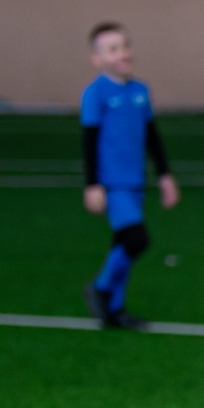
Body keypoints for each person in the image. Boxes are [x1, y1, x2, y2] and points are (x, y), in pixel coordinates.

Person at [79, 23, 178, 329]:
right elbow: (89, 141)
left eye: (125, 46)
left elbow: (152, 136)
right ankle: (100, 287)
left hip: (136, 182)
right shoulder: (95, 93)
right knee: (137, 239)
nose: (122, 53)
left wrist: (164, 175)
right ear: (96, 59)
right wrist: (92, 184)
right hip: (112, 184)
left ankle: (115, 310)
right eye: (112, 49)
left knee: (122, 244)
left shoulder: (140, 91)